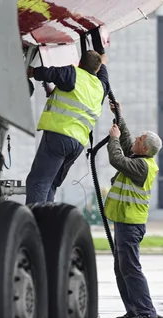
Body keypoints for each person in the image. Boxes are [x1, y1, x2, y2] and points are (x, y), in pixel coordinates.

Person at [24, 50, 109, 204]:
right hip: (77, 145)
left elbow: (50, 73)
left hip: (59, 137)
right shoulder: (101, 87)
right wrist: (102, 61)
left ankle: (34, 225)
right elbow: (103, 74)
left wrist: (31, 72)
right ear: (97, 69)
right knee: (51, 185)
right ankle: (47, 223)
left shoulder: (73, 73)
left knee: (38, 183)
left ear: (80, 63)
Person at [103, 102, 162, 318]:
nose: (135, 141)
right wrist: (120, 116)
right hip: (123, 223)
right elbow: (128, 144)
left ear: (145, 148)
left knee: (131, 269)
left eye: (139, 140)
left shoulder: (143, 166)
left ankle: (146, 313)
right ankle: (133, 310)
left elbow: (117, 158)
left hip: (130, 224)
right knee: (122, 269)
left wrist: (113, 139)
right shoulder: (139, 159)